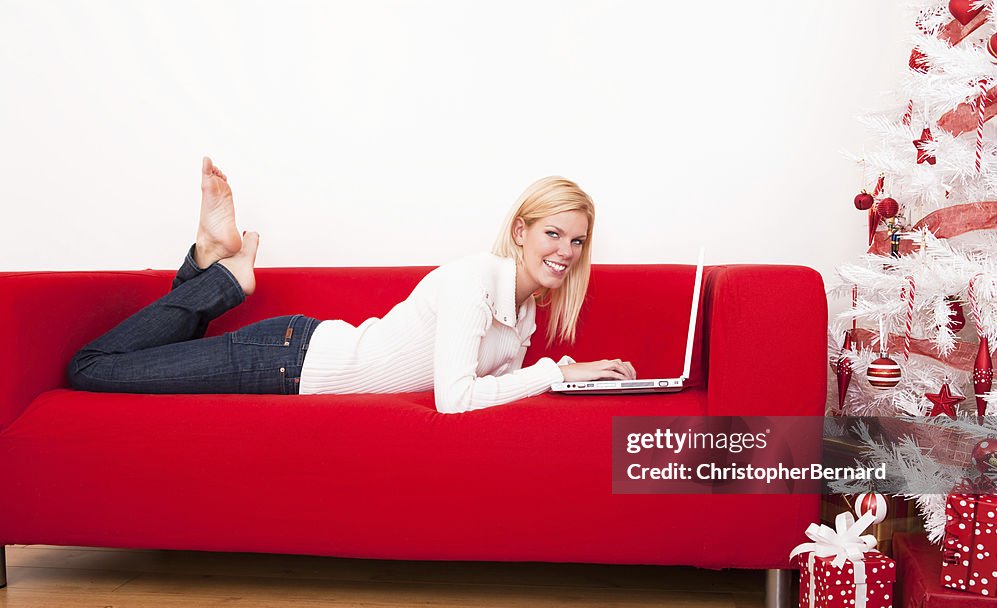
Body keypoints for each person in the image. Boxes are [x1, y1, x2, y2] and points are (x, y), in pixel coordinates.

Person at [67, 158, 636, 413]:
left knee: (149, 359)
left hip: (298, 355)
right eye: (554, 234)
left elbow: (501, 392)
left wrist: (577, 379)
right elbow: (455, 399)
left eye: (578, 242)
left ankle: (211, 265)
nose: (565, 252)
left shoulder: (525, 314)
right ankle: (222, 279)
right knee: (88, 368)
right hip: (284, 359)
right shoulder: (473, 282)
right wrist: (555, 372)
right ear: (520, 231)